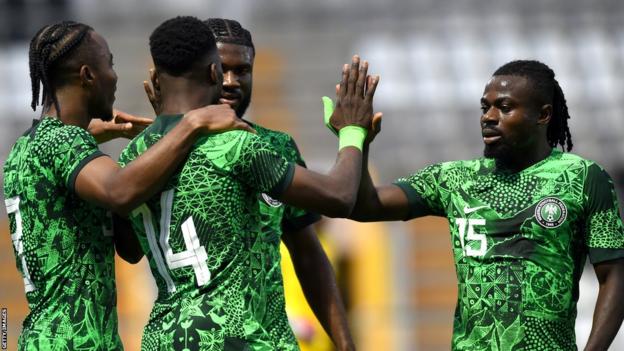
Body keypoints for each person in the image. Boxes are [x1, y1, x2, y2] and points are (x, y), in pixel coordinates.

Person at [118, 16, 378, 350]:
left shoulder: (138, 154)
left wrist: (345, 345)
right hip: (246, 339)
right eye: (222, 68)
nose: (231, 81)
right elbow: (341, 197)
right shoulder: (241, 147)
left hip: (169, 339)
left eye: (242, 70)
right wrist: (353, 131)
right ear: (206, 69)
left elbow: (308, 254)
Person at [3, 20, 252, 350]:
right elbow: (119, 192)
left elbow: (129, 246)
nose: (115, 76)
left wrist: (152, 140)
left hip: (42, 337)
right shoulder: (63, 143)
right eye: (110, 63)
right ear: (87, 75)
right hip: (76, 343)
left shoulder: (26, 147)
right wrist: (190, 124)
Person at [343, 60, 624, 350]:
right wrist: (357, 138)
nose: (488, 117)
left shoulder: (584, 178)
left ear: (543, 115)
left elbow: (614, 275)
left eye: (504, 107)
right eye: (484, 107)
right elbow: (366, 205)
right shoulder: (454, 179)